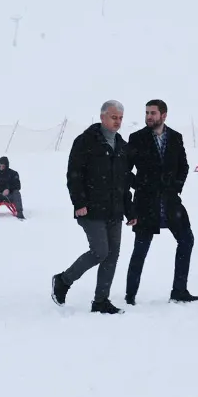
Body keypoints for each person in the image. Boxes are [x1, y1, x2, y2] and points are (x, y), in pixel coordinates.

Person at [51, 100, 137, 314]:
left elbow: (124, 181)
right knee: (100, 252)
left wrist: (130, 210)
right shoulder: (85, 141)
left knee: (112, 255)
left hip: (115, 209)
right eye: (114, 117)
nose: (118, 122)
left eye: (120, 118)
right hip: (91, 208)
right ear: (102, 117)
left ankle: (101, 301)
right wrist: (79, 203)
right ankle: (63, 280)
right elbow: (74, 175)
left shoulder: (122, 145)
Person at [125, 100, 198, 305]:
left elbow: (183, 166)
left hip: (171, 202)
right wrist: (139, 185)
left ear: (163, 115)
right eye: (147, 113)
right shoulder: (136, 138)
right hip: (146, 203)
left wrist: (176, 186)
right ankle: (130, 295)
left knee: (186, 240)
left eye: (153, 113)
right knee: (140, 249)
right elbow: (125, 170)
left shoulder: (175, 137)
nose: (149, 116)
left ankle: (179, 291)